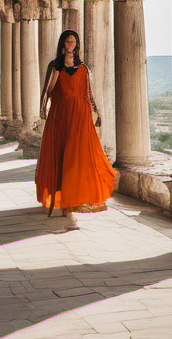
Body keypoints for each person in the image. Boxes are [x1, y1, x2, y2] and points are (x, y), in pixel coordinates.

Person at [35, 29, 115, 228]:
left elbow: (88, 92)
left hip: (80, 116)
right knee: (62, 156)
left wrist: (96, 113)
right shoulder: (55, 66)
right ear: (63, 43)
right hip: (61, 116)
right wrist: (43, 109)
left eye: (74, 42)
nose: (71, 44)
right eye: (68, 41)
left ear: (77, 45)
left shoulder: (83, 67)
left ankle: (75, 200)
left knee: (79, 157)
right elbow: (47, 90)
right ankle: (65, 202)